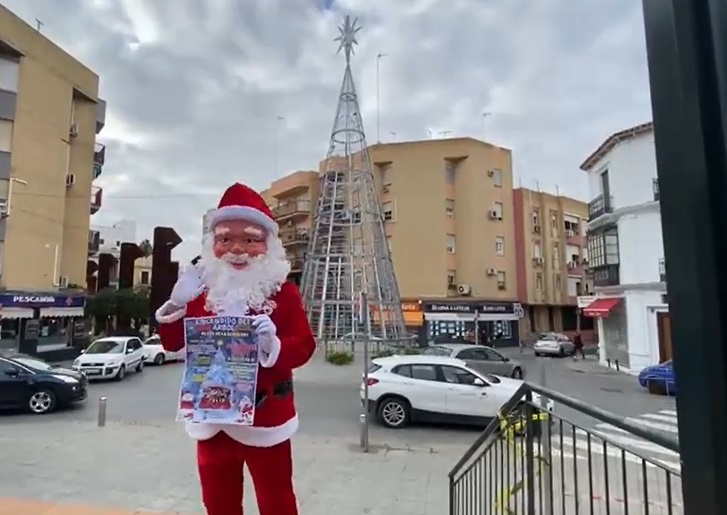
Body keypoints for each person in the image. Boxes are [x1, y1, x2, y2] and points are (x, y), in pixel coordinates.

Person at [155, 183, 317, 515]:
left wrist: (273, 344)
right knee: (218, 501)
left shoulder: (282, 294)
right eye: (226, 239)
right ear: (212, 244)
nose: (237, 249)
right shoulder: (202, 293)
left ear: (267, 245)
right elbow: (172, 344)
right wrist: (175, 304)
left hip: (265, 420)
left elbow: (304, 347)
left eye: (250, 239)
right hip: (212, 419)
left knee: (276, 501)